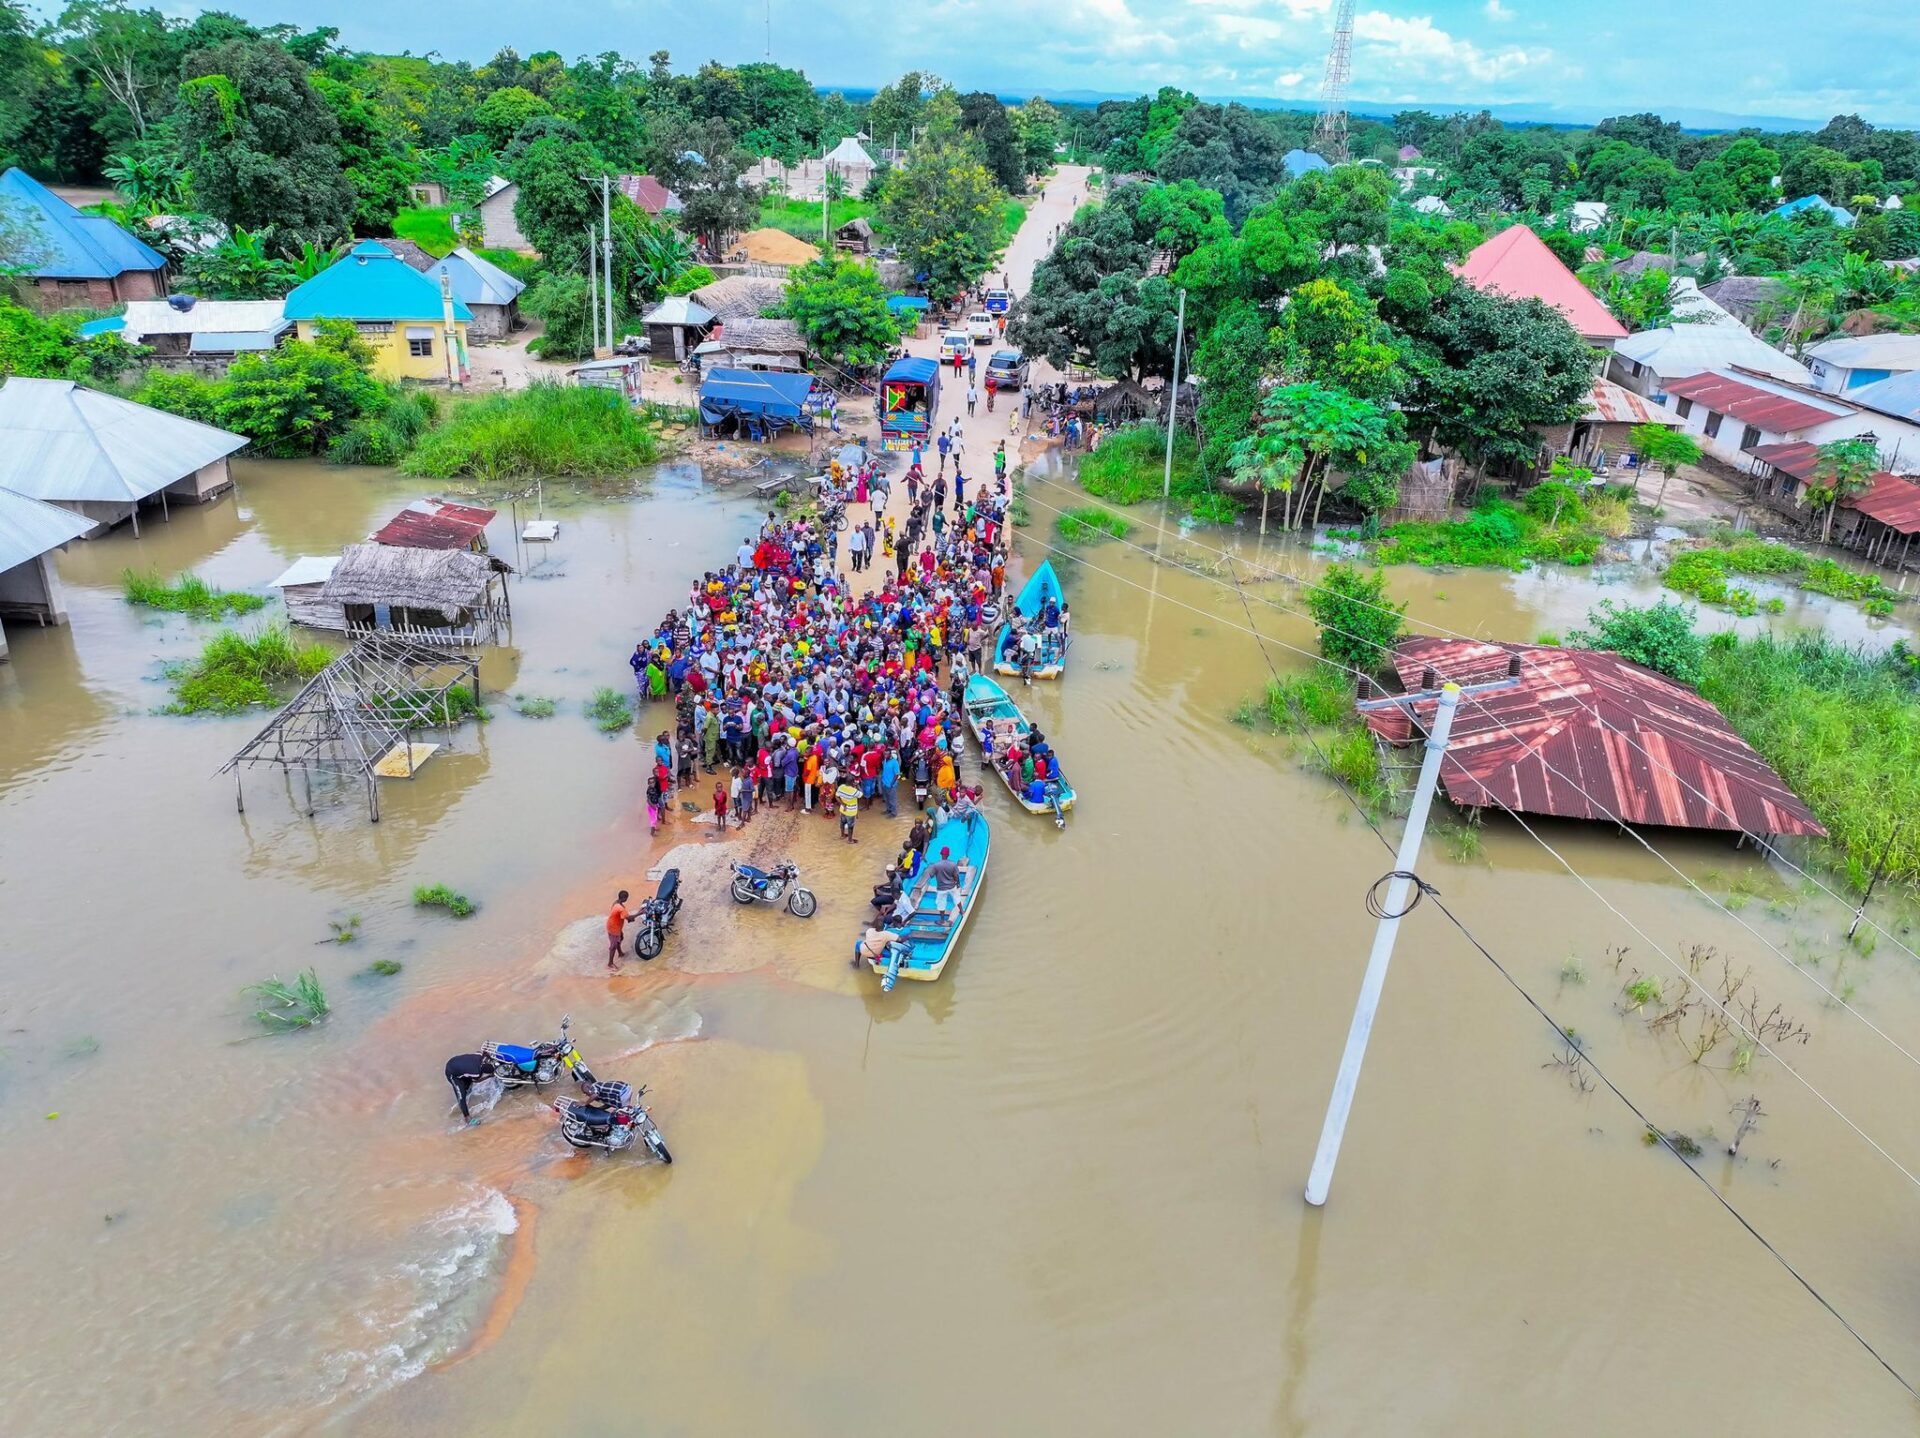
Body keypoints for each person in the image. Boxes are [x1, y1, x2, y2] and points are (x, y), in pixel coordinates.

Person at [445, 1052, 493, 1125]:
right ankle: (467, 1118)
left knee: (467, 1086)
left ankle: (467, 1091)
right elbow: (477, 1080)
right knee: (461, 1095)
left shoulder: (480, 1055)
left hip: (455, 1061)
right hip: (452, 1073)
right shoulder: (477, 1073)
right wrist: (489, 1076)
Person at [929, 846, 969, 914]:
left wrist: (932, 868)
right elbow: (956, 876)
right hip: (952, 886)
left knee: (941, 903)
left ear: (941, 854)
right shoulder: (953, 864)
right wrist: (958, 884)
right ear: (948, 855)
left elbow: (931, 875)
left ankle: (942, 920)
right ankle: (961, 911)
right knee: (957, 898)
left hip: (941, 888)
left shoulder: (936, 865)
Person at [607, 889, 635, 968]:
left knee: (621, 937)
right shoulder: (621, 909)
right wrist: (641, 912)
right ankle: (610, 963)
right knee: (613, 946)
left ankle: (620, 953)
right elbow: (630, 919)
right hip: (614, 928)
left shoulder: (616, 903)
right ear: (625, 898)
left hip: (614, 925)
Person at [836, 773, 862, 843]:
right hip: (851, 811)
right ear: (852, 782)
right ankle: (850, 840)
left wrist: (843, 804)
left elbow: (837, 796)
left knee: (842, 822)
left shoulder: (841, 787)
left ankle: (842, 835)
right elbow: (861, 794)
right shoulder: (853, 791)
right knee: (850, 826)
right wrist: (857, 785)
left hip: (843, 809)